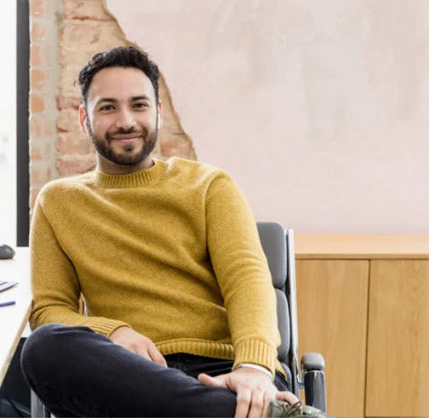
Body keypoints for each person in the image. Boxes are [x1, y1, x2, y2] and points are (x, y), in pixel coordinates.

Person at [20, 46, 301, 417]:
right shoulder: (58, 202)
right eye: (108, 107)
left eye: (139, 105)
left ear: (158, 113)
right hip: (126, 375)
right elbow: (50, 309)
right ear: (83, 118)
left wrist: (253, 367)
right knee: (43, 347)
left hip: (223, 371)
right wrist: (113, 331)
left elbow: (246, 279)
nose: (126, 121)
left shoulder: (209, 185)